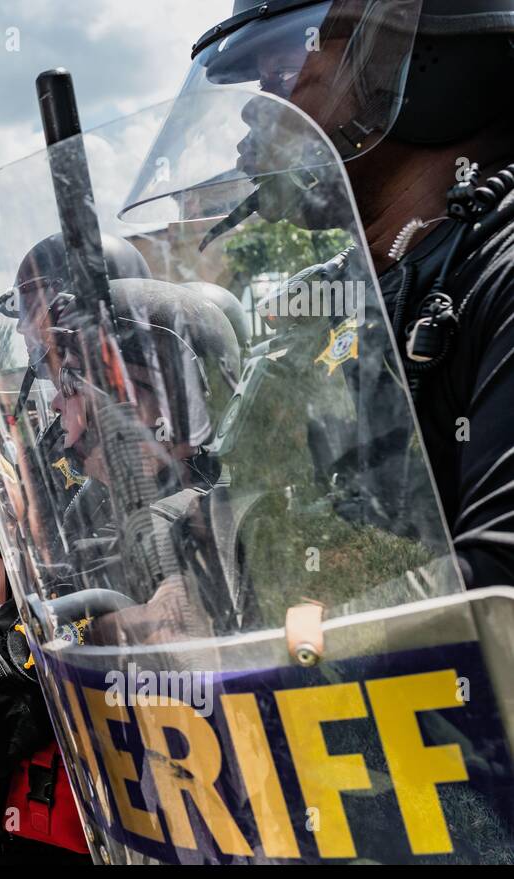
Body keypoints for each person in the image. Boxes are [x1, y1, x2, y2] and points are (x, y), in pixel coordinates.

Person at [183, 0, 514, 586]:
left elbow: (497, 592)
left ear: (413, 62)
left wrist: (291, 637)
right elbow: (253, 504)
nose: (258, 115)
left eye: (281, 70)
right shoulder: (336, 300)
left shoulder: (498, 272)